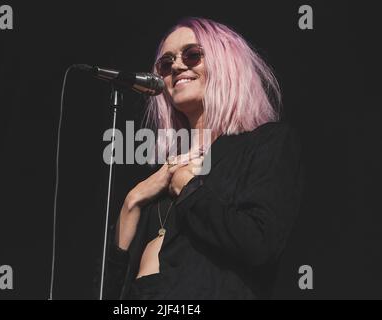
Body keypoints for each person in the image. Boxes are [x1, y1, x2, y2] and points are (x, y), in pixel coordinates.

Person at [103, 17, 304, 300]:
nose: (176, 66)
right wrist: (132, 201)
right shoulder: (160, 176)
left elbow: (259, 244)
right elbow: (110, 290)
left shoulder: (266, 143)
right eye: (166, 63)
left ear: (225, 63)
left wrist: (188, 189)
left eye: (192, 55)